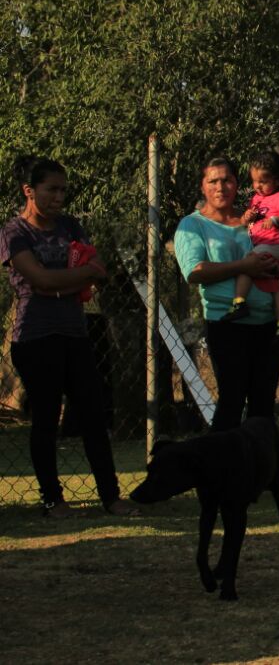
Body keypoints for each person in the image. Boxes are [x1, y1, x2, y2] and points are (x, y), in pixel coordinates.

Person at [1, 156, 137, 518]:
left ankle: (111, 496)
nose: (60, 197)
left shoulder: (72, 226)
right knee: (46, 417)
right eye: (51, 189)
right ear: (29, 191)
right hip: (35, 336)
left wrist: (62, 282)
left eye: (63, 189)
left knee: (93, 415)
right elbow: (39, 280)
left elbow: (97, 271)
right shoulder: (15, 232)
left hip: (75, 332)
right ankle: (53, 500)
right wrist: (72, 280)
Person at [176, 156, 279, 431]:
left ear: (237, 184)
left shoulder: (253, 219)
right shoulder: (193, 225)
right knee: (232, 402)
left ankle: (262, 472)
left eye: (226, 180)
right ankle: (224, 471)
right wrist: (244, 266)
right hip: (228, 325)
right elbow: (195, 271)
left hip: (268, 323)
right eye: (212, 181)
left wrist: (277, 266)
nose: (220, 186)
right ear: (202, 187)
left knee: (263, 407)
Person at [223, 151, 279, 336]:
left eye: (263, 181)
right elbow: (246, 223)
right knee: (274, 286)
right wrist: (246, 217)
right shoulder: (257, 199)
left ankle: (239, 302)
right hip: (264, 245)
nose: (257, 186)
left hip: (274, 244)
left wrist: (275, 221)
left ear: (278, 180)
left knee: (247, 265)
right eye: (254, 181)